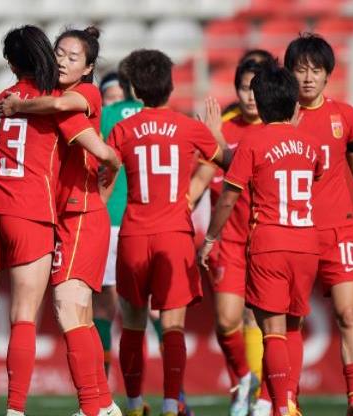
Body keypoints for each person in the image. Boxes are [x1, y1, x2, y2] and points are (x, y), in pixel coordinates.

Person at [0, 25, 118, 416]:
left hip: (24, 209)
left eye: (72, 57)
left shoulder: (12, 99)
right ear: (44, 55)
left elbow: (61, 129)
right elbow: (98, 149)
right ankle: (50, 408)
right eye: (58, 53)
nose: (63, 61)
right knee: (51, 314)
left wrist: (109, 166)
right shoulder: (53, 99)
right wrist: (110, 161)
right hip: (35, 211)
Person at [106, 49, 229, 416]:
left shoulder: (123, 129)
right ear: (171, 86)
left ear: (135, 90)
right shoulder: (188, 127)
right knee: (173, 326)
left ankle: (132, 404)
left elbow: (104, 179)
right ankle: (172, 404)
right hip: (174, 234)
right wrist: (216, 135)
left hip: (133, 234)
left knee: (132, 324)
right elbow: (230, 162)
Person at [198, 65, 324, 416]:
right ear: (295, 105)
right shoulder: (312, 145)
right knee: (294, 326)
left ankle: (279, 406)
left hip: (269, 243)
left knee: (272, 331)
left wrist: (210, 237)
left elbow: (228, 197)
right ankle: (290, 402)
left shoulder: (252, 142)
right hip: (306, 244)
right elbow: (314, 174)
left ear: (261, 105)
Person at [280, 33, 353, 416]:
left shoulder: (345, 116)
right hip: (295, 232)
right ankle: (289, 400)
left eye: (316, 70)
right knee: (291, 318)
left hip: (340, 230)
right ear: (289, 74)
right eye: (301, 70)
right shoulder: (280, 118)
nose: (308, 77)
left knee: (349, 313)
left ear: (328, 74)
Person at [188, 59, 270, 416]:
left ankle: (262, 397)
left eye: (256, 88)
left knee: (259, 318)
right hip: (228, 240)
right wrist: (182, 204)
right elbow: (201, 177)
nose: (250, 96)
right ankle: (243, 380)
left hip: (265, 239)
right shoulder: (223, 125)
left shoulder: (276, 127)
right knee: (226, 320)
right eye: (244, 88)